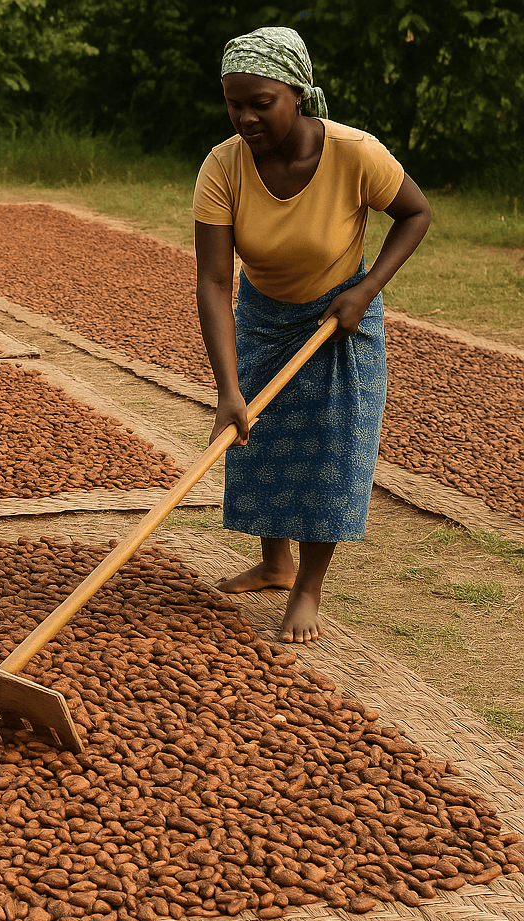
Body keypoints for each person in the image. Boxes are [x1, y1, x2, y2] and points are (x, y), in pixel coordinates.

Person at [193, 25, 431, 643]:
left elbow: (416, 213)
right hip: (264, 316)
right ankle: (275, 563)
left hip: (340, 317)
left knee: (332, 450)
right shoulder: (222, 166)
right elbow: (215, 281)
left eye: (260, 103)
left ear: (297, 93)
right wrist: (226, 389)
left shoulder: (355, 153)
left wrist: (366, 289)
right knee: (258, 439)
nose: (245, 118)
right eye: (233, 104)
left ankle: (308, 586)